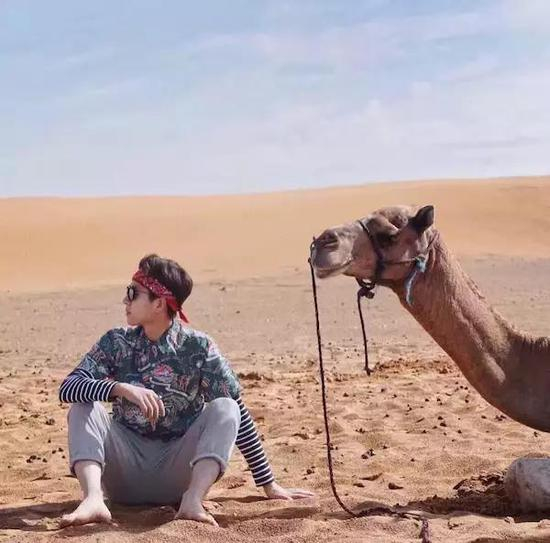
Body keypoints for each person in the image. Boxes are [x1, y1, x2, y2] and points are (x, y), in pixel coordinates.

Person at [58, 254, 313, 527]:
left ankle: (193, 500)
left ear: (159, 303)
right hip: (123, 475)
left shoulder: (199, 348)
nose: (125, 300)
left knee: (226, 406)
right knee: (84, 406)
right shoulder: (116, 341)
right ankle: (93, 499)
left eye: (133, 293)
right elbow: (68, 388)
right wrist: (120, 388)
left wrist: (268, 483)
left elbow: (237, 412)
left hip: (177, 474)